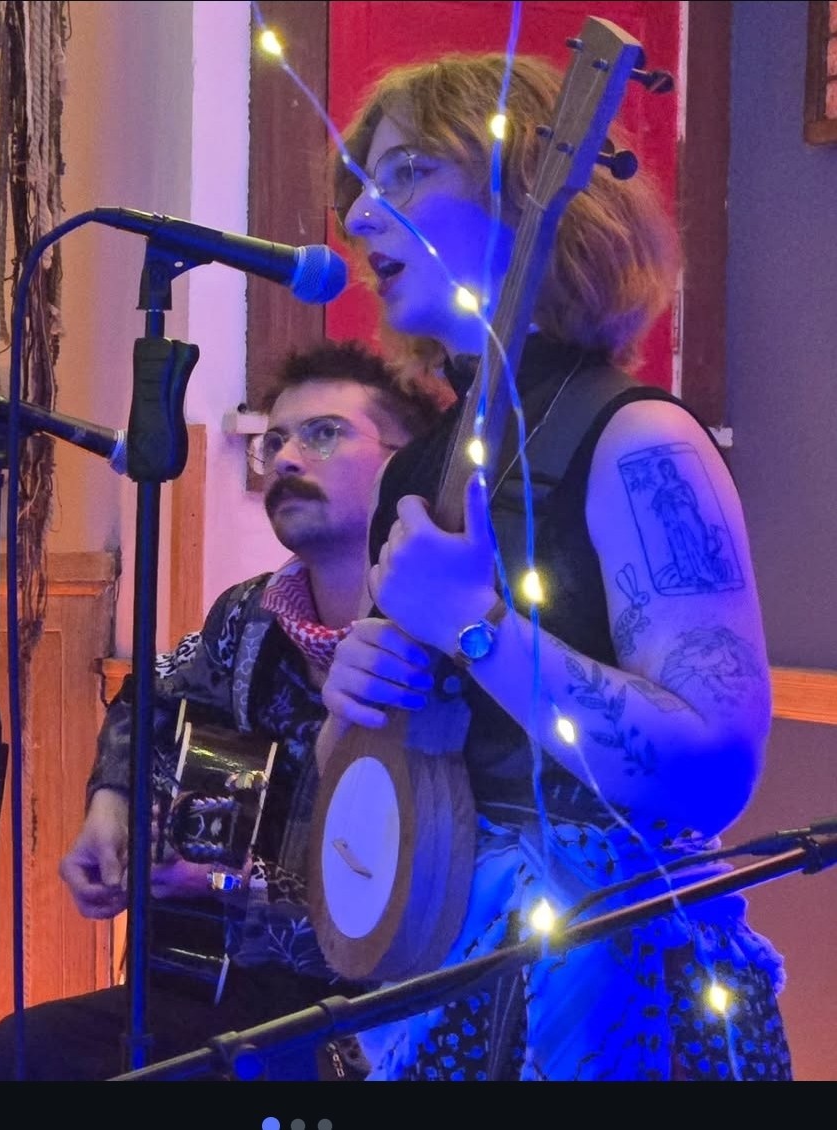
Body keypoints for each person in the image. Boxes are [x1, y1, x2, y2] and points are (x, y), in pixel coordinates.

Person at [315, 51, 794, 1081]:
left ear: (527, 192)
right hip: (436, 974)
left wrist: (479, 627)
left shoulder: (639, 442)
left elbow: (714, 765)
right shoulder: (413, 468)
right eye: (361, 188)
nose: (357, 223)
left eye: (402, 176)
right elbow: (402, 766)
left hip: (612, 986)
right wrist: (346, 707)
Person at [0, 339, 445, 1081]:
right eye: (274, 439)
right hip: (229, 985)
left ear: (405, 463)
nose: (285, 457)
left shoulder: (438, 634)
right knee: (22, 1055)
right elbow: (146, 698)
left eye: (322, 434)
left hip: (381, 1007)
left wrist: (222, 883)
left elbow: (403, 882)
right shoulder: (247, 618)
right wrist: (110, 808)